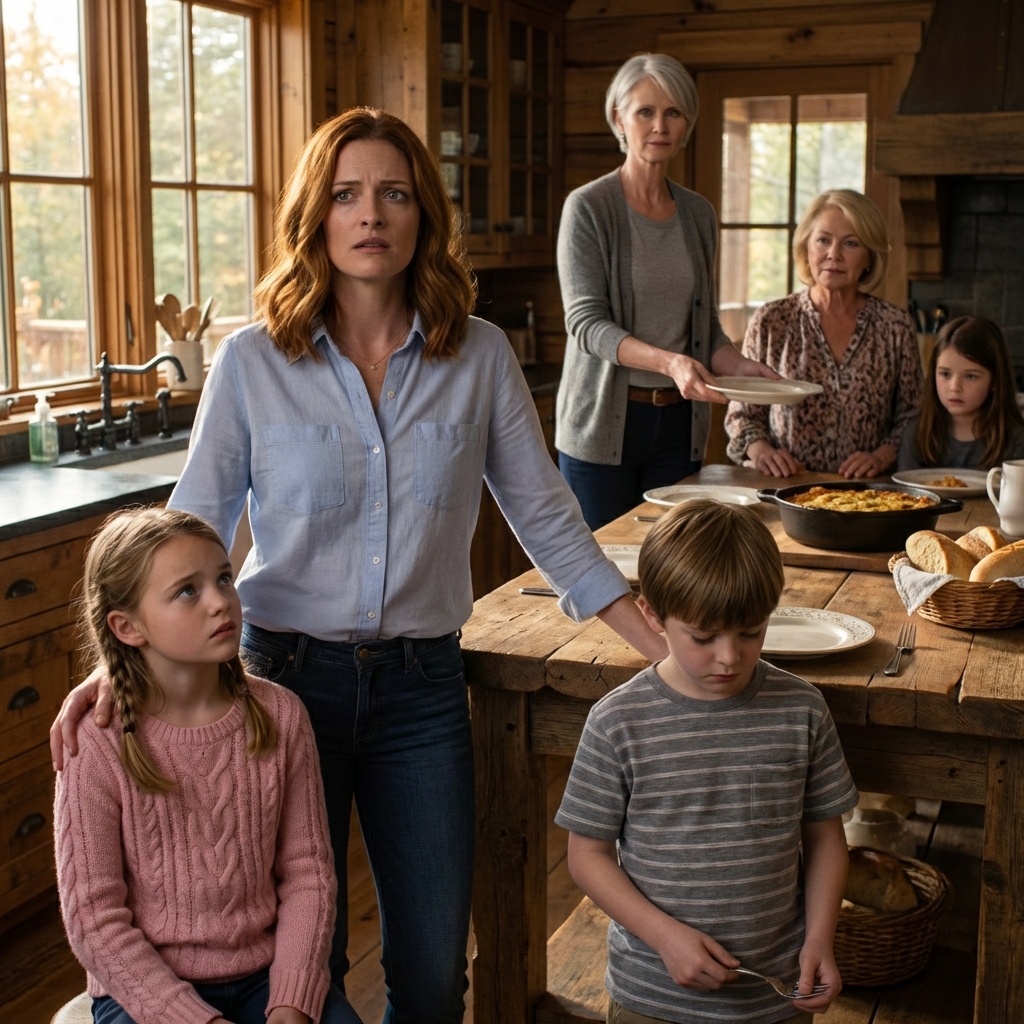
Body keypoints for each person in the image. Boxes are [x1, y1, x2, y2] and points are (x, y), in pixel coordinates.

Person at [51, 107, 668, 1024]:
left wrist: (662, 649)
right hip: (275, 688)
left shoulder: (480, 355)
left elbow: (547, 515)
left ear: (423, 215)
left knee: (432, 973)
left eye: (393, 194)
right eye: (346, 195)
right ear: (318, 216)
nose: (370, 214)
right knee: (311, 961)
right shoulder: (252, 361)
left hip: (422, 692)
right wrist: (116, 666)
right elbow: (188, 529)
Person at [555, 500, 858, 1024]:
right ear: (652, 615)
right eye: (702, 637)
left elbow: (826, 839)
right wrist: (664, 937)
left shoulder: (802, 709)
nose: (729, 657)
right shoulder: (617, 722)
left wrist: (819, 941)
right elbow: (587, 857)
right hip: (653, 998)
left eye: (751, 632)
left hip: (776, 996)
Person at [55, 508, 353, 1024]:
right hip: (142, 992)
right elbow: (94, 920)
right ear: (127, 627)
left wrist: (291, 1000)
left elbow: (309, 875)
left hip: (265, 975)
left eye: (223, 579)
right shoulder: (96, 741)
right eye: (187, 591)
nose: (220, 602)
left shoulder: (282, 716)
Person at [555, 53, 778, 529]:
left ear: (687, 123)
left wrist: (741, 367)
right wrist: (670, 364)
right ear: (619, 118)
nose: (660, 126)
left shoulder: (698, 215)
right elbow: (586, 325)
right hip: (602, 428)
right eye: (646, 112)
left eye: (673, 112)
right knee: (603, 563)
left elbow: (704, 329)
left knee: (674, 565)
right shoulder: (588, 208)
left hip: (679, 427)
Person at [725, 189, 922, 478]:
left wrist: (881, 457)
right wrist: (762, 451)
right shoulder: (772, 321)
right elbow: (742, 413)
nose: (834, 254)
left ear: (869, 257)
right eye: (823, 240)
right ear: (806, 247)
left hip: (869, 491)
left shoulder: (895, 326)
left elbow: (913, 416)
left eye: (851, 243)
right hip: (784, 485)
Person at [898, 316, 1024, 470]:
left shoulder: (1016, 440)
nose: (955, 387)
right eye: (945, 374)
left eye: (971, 376)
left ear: (995, 381)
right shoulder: (916, 433)